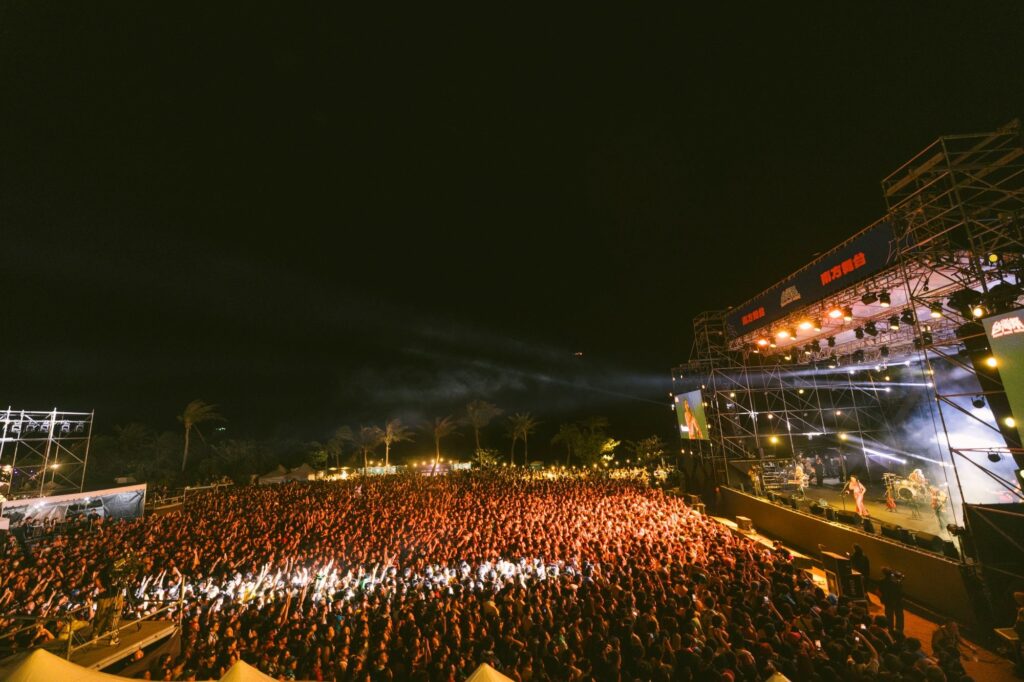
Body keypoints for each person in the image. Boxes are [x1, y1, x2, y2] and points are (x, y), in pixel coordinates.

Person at [880, 567, 905, 634]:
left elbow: (881, 591)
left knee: (889, 616)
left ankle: (890, 629)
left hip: (888, 602)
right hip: (898, 601)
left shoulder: (882, 581)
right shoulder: (897, 582)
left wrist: (883, 599)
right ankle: (899, 630)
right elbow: (900, 591)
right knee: (899, 616)